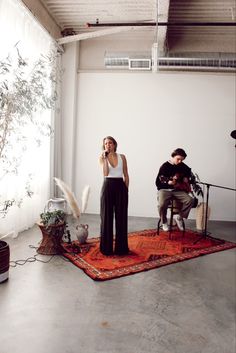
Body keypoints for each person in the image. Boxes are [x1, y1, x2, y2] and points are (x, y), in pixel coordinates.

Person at [99, 136, 129, 255]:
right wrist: (105, 158)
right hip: (108, 186)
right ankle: (106, 249)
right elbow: (105, 173)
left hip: (120, 186)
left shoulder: (122, 157)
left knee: (121, 217)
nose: (108, 145)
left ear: (114, 144)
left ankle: (121, 248)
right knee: (106, 217)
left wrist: (126, 189)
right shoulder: (102, 158)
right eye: (106, 143)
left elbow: (126, 174)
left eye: (110, 143)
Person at [155, 148, 194, 232]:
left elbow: (188, 172)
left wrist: (185, 178)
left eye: (182, 160)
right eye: (178, 159)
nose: (180, 161)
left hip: (177, 190)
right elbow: (158, 182)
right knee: (161, 205)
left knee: (190, 200)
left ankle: (179, 217)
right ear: (173, 156)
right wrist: (168, 183)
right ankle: (164, 222)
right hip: (164, 190)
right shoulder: (164, 166)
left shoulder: (182, 165)